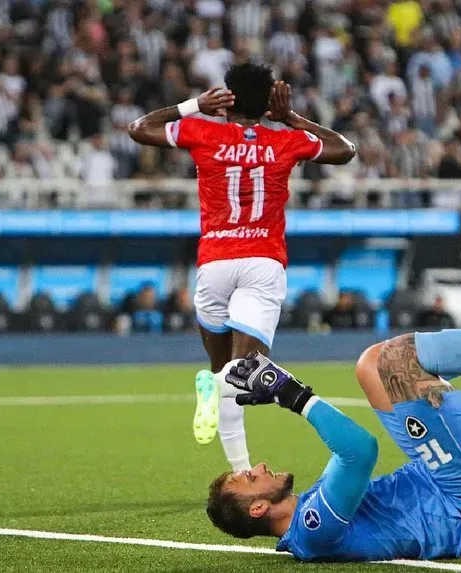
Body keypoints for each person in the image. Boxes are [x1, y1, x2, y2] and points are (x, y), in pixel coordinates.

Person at [205, 260, 461, 562]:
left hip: (449, 479)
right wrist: (291, 394)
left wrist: (282, 393)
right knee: (389, 362)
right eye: (250, 478)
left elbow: (352, 452)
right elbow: (359, 452)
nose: (257, 467)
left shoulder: (307, 511)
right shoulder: (313, 527)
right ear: (257, 509)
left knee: (375, 369)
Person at [127, 63, 356, 472]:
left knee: (226, 371)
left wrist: (195, 105)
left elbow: (139, 127)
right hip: (262, 263)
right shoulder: (286, 141)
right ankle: (217, 393)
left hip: (214, 262)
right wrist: (290, 117)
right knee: (241, 376)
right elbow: (345, 150)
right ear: (268, 101)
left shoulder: (204, 132)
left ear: (227, 99)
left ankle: (241, 469)